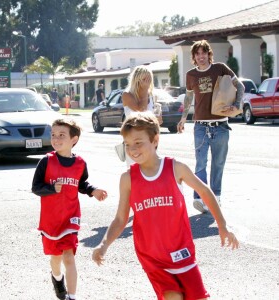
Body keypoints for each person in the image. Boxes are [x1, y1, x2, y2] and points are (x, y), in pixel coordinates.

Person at [92, 112, 239, 300]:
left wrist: (222, 226)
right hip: (152, 257)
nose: (132, 149)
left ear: (155, 140)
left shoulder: (175, 168)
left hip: (181, 252)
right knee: (173, 296)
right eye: (127, 145)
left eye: (138, 142)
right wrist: (104, 245)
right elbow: (121, 218)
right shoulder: (128, 179)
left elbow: (204, 191)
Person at [32, 118, 108, 300]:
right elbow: (36, 187)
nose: (56, 139)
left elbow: (82, 184)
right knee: (56, 260)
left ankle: (71, 297)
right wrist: (51, 188)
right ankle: (57, 279)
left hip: (70, 218)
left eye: (61, 135)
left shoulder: (80, 163)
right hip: (51, 221)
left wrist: (93, 191)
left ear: (74, 139)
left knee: (69, 257)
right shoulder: (46, 161)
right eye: (53, 135)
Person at [177, 40, 245, 213]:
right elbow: (188, 98)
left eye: (203, 53)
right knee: (200, 163)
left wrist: (237, 105)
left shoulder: (220, 68)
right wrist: (183, 118)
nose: (201, 57)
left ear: (209, 54)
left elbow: (240, 86)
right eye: (197, 54)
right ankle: (200, 197)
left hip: (221, 126)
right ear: (193, 57)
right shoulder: (191, 75)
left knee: (218, 163)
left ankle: (216, 197)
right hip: (200, 126)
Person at [121, 65, 162, 166]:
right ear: (137, 79)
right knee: (134, 171)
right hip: (134, 139)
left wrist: (158, 117)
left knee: (150, 169)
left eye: (149, 79)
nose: (147, 82)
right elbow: (141, 111)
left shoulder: (151, 96)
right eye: (144, 79)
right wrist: (144, 91)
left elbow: (156, 120)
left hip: (149, 139)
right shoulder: (127, 95)